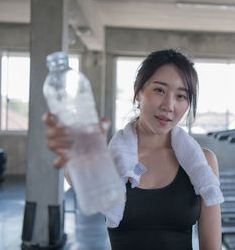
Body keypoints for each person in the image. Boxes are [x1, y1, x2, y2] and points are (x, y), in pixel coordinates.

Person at [43, 49, 222, 249]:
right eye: (159, 90)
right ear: (138, 91)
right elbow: (78, 174)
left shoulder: (202, 163)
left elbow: (211, 246)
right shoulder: (112, 160)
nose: (169, 106)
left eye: (181, 96)